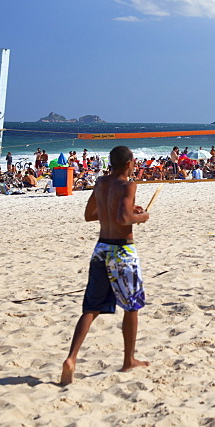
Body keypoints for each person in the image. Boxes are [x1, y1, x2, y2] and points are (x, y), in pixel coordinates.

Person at [61, 145, 150, 386]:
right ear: (130, 163)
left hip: (101, 249)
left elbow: (90, 215)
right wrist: (141, 216)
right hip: (122, 250)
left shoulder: (101, 183)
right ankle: (128, 360)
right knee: (132, 306)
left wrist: (126, 210)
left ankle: (71, 358)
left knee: (91, 307)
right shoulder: (128, 185)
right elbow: (123, 219)